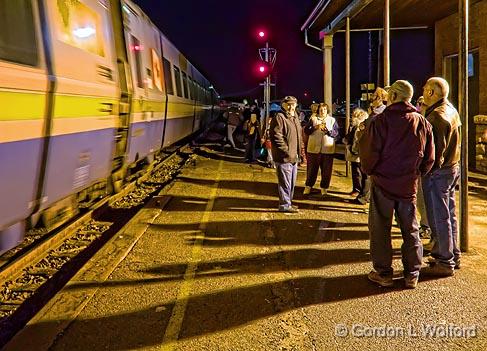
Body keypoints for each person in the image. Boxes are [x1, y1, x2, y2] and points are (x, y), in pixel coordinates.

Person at [359, 80, 435, 289]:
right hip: (408, 185)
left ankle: (383, 272)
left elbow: (368, 156)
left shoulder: (380, 121)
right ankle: (412, 273)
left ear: (392, 96)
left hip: (383, 183)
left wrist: (371, 172)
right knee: (410, 228)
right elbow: (429, 158)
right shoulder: (422, 122)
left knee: (380, 229)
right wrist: (415, 174)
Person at [421, 77, 462, 275]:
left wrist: (425, 170)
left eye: (425, 88)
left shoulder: (436, 116)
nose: (422, 91)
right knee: (450, 213)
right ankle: (453, 253)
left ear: (431, 92)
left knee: (440, 216)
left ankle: (445, 261)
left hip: (440, 172)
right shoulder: (450, 109)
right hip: (452, 168)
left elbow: (435, 152)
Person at [270, 96, 302, 213]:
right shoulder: (279, 117)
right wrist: (287, 151)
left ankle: (288, 203)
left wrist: (300, 152)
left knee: (291, 183)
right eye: (288, 104)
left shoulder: (295, 117)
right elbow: (276, 136)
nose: (291, 106)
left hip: (294, 157)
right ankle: (284, 205)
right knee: (285, 183)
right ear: (283, 105)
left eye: (293, 104)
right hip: (284, 157)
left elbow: (299, 136)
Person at [303, 103, 339, 196]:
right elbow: (306, 130)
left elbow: (336, 133)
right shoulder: (313, 119)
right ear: (318, 110)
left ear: (327, 111)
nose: (323, 111)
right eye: (321, 109)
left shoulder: (332, 120)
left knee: (326, 170)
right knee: (311, 169)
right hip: (313, 149)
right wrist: (315, 127)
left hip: (327, 149)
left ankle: (324, 188)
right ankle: (308, 186)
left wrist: (328, 131)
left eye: (324, 109)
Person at [344, 108, 370, 204]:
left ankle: (363, 197)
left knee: (364, 176)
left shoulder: (359, 127)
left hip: (360, 155)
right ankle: (364, 196)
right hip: (362, 154)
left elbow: (357, 141)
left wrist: (353, 150)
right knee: (363, 176)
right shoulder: (360, 126)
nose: (352, 117)